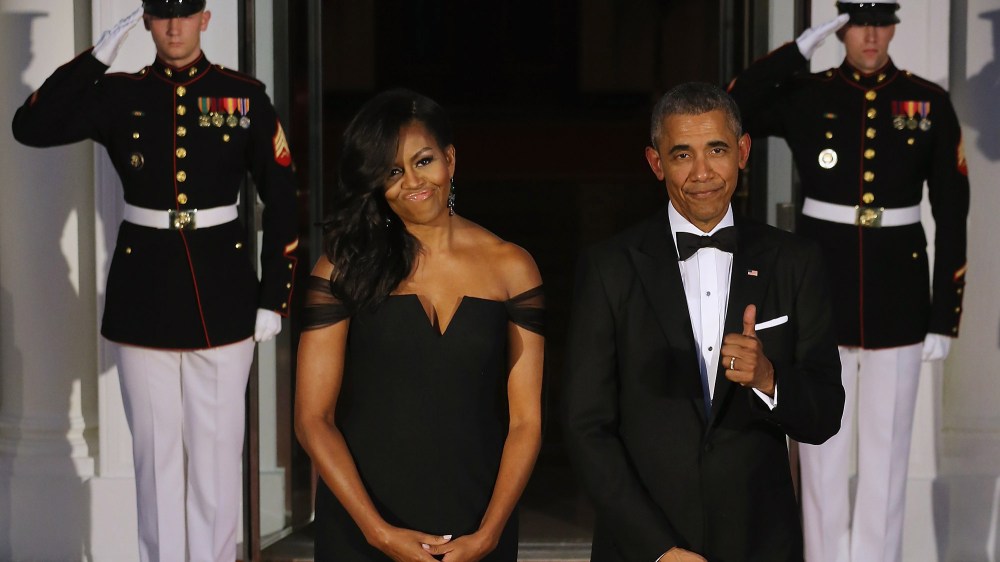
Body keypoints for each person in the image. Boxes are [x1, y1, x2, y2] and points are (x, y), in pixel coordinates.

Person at [11, 2, 299, 561]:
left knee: (216, 460)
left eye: (185, 14)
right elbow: (31, 126)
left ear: (205, 19)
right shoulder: (119, 94)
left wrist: (274, 296)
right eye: (162, 15)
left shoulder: (243, 97)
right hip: (143, 294)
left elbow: (282, 199)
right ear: (145, 22)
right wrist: (95, 60)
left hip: (225, 295)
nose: (174, 27)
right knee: (156, 460)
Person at [727, 2, 970, 561]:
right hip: (820, 288)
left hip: (899, 293)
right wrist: (797, 51)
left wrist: (943, 315)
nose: (870, 35)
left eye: (881, 22)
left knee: (887, 454)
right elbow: (732, 105)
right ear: (841, 27)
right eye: (858, 22)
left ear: (893, 27)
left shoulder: (928, 103)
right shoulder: (807, 93)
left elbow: (952, 214)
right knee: (819, 450)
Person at [562, 81, 844, 562]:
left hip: (760, 542)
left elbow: (824, 415)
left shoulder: (795, 261)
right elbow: (584, 427)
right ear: (656, 163)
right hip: (642, 548)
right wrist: (659, 549)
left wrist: (768, 378)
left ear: (742, 151)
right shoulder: (609, 267)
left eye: (716, 150)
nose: (702, 173)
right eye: (681, 154)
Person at [294, 88, 545, 562]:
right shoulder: (342, 268)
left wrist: (490, 533)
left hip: (476, 528)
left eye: (423, 160)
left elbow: (527, 422)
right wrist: (378, 532)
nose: (412, 181)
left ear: (450, 159)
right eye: (392, 170)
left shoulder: (512, 267)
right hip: (362, 526)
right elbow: (312, 419)